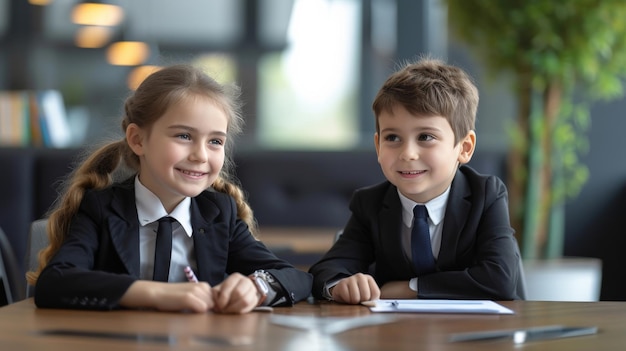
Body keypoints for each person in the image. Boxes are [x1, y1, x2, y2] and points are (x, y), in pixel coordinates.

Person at [27, 64, 312, 313]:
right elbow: (55, 283)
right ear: (138, 140)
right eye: (184, 136)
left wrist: (258, 287)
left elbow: (296, 278)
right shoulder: (101, 208)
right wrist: (158, 294)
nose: (201, 155)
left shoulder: (218, 214)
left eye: (215, 141)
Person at [309, 57, 522, 304]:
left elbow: (499, 280)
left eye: (425, 137)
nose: (407, 153)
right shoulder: (370, 204)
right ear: (378, 146)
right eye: (393, 138)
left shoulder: (486, 195)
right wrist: (341, 285)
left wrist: (411, 288)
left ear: (464, 147)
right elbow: (325, 272)